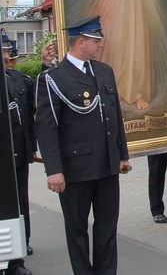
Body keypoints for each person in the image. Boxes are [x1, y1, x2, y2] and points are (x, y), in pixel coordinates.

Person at [35, 16, 130, 275]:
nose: (100, 45)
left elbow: (114, 116)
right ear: (80, 42)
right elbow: (47, 127)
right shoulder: (54, 78)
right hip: (76, 168)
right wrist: (53, 170)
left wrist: (122, 154)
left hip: (107, 164)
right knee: (77, 228)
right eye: (96, 41)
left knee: (107, 225)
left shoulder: (104, 71)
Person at [3, 35, 36, 275]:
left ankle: (18, 256)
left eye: (8, 52)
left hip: (17, 153)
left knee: (19, 203)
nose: (7, 57)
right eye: (3, 52)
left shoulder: (17, 79)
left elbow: (40, 99)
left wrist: (45, 65)